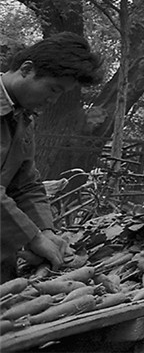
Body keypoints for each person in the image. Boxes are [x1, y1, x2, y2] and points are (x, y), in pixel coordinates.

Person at [1, 32, 103, 281]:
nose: (53, 100)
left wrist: (46, 230)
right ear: (27, 69)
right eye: (53, 89)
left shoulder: (23, 118)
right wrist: (32, 236)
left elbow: (26, 185)